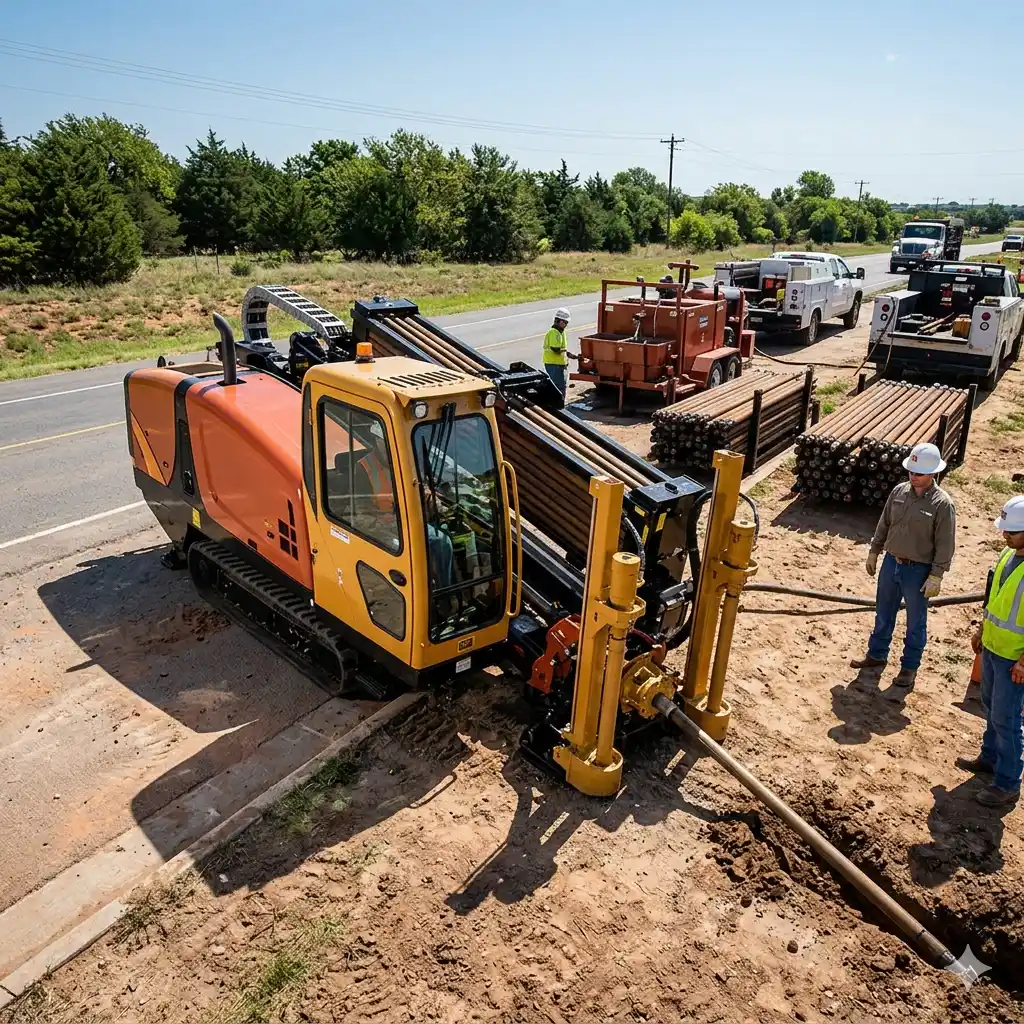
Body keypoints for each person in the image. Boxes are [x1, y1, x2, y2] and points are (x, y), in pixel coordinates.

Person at [850, 442, 956, 687]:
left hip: (918, 571)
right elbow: (884, 523)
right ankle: (876, 654)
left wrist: (936, 575)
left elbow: (945, 544)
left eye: (919, 473)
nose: (913, 476)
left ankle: (909, 667)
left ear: (933, 473)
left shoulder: (942, 504)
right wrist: (874, 551)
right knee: (883, 612)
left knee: (915, 621)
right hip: (891, 563)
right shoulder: (899, 492)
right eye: (911, 471)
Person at [958, 496, 1024, 808]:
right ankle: (990, 758)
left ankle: (1008, 783)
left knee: (1006, 719)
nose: (1004, 535)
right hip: (994, 648)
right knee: (990, 707)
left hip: (1014, 660)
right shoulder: (1006, 556)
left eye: (1012, 531)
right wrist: (982, 630)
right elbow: (993, 600)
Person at [542, 308, 577, 398]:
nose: (566, 325)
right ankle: (557, 404)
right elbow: (556, 349)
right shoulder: (554, 332)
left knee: (561, 387)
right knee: (558, 388)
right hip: (553, 364)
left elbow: (562, 348)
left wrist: (571, 356)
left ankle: (558, 403)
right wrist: (567, 353)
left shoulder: (561, 332)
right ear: (560, 321)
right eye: (565, 322)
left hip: (558, 364)